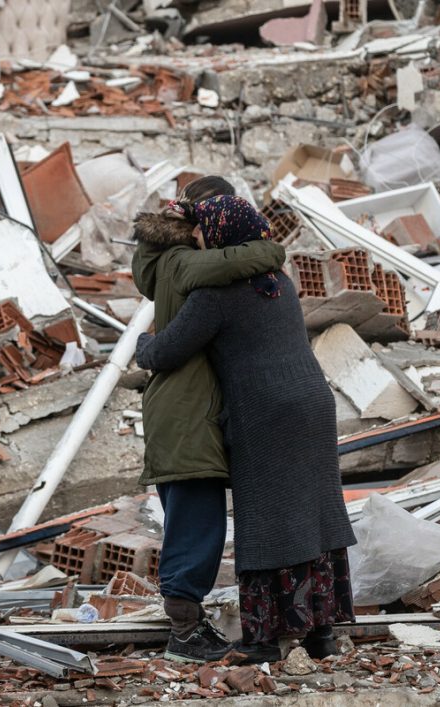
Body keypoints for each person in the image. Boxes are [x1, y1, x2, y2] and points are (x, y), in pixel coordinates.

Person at [135, 194, 356, 663]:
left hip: (265, 411)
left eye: (200, 230)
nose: (195, 238)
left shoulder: (217, 295)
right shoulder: (281, 281)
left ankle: (261, 641)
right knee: (313, 514)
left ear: (219, 235)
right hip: (314, 403)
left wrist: (142, 342)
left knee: (265, 522)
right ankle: (320, 634)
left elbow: (166, 352)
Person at [131, 178, 286, 663]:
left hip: (184, 412)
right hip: (186, 416)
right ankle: (183, 634)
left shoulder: (162, 263)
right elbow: (236, 260)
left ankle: (187, 626)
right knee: (196, 528)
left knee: (194, 523)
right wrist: (271, 249)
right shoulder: (180, 263)